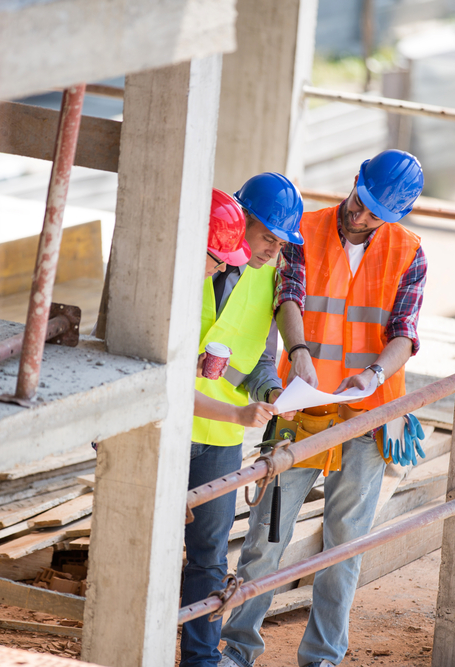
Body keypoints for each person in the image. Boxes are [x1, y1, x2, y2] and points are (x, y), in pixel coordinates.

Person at [219, 150, 428, 667]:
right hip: (300, 407)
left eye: (375, 213)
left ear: (394, 216)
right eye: (360, 202)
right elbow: (288, 297)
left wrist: (376, 374)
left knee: (344, 545)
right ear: (355, 179)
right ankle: (237, 649)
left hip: (367, 412)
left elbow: (405, 333)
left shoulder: (410, 251)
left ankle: (323, 658)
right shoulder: (302, 231)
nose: (360, 217)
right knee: (266, 540)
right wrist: (299, 354)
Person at [182, 179, 303, 667]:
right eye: (268, 237)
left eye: (281, 243)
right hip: (167, 429)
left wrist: (272, 391)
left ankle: (201, 660)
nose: (273, 250)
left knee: (209, 559)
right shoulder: (189, 263)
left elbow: (257, 363)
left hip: (219, 438)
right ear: (241, 219)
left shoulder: (266, 277)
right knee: (141, 545)